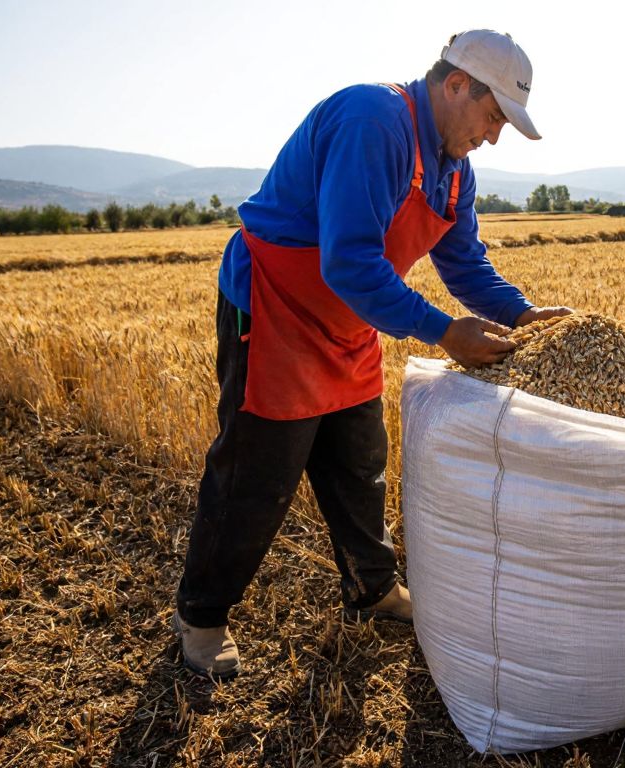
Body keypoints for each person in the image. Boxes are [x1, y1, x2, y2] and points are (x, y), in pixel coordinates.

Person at [172, 29, 572, 679]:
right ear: (455, 86)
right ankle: (202, 613)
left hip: (352, 318)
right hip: (276, 307)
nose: (494, 135)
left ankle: (371, 588)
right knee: (258, 475)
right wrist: (445, 333)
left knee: (359, 464)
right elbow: (350, 261)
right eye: (493, 115)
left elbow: (465, 265)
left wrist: (522, 314)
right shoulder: (374, 122)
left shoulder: (454, 172)